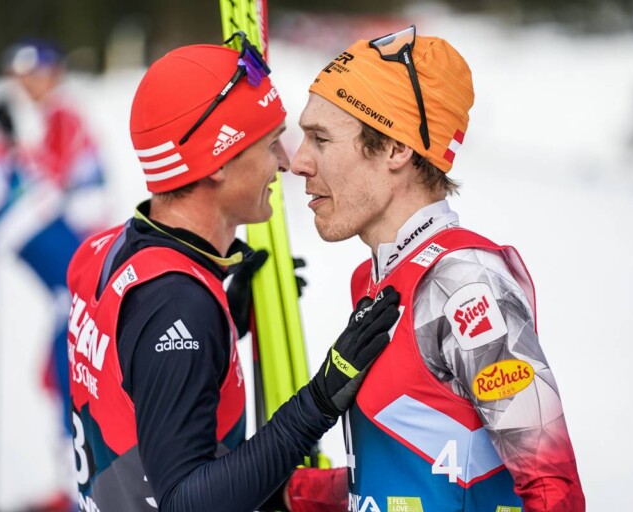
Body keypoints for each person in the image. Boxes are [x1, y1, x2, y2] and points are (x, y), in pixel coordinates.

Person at [66, 33, 400, 512]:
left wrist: (224, 319)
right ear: (217, 161)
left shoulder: (106, 251)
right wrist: (319, 402)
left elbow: (129, 376)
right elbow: (186, 503)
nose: (286, 163)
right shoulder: (176, 305)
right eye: (270, 145)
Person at [291, 26, 585, 511]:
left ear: (395, 149)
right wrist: (285, 491)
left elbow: (553, 486)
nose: (298, 162)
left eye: (320, 139)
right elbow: (420, 468)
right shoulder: (376, 281)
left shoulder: (464, 283)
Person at [0, 39, 107, 510]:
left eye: (35, 72)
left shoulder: (64, 119)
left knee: (75, 366)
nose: (27, 83)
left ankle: (83, 488)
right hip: (53, 255)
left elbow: (80, 192)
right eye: (20, 73)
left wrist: (15, 156)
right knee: (67, 368)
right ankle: (75, 483)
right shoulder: (17, 116)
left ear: (54, 73)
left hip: (76, 259)